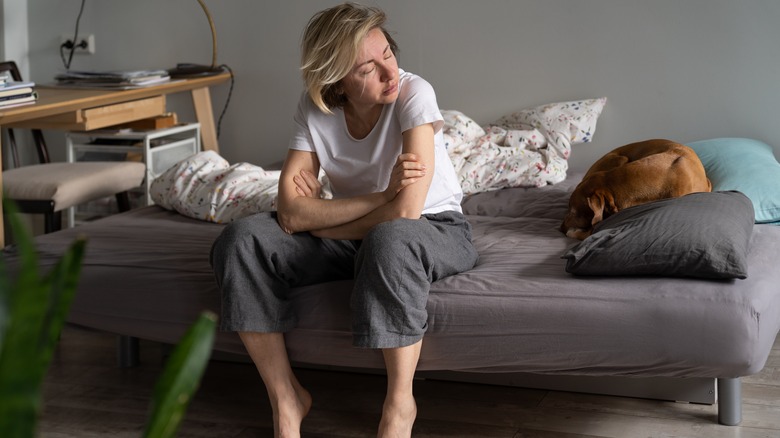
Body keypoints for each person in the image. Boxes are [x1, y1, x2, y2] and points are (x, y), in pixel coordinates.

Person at [210, 3, 478, 437]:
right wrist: (379, 195)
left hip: (433, 227)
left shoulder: (414, 94)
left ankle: (399, 405)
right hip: (360, 229)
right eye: (368, 69)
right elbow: (291, 213)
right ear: (335, 79)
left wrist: (318, 223)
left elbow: (406, 211)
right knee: (242, 239)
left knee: (391, 239)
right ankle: (286, 400)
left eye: (388, 54)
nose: (390, 73)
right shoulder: (315, 107)